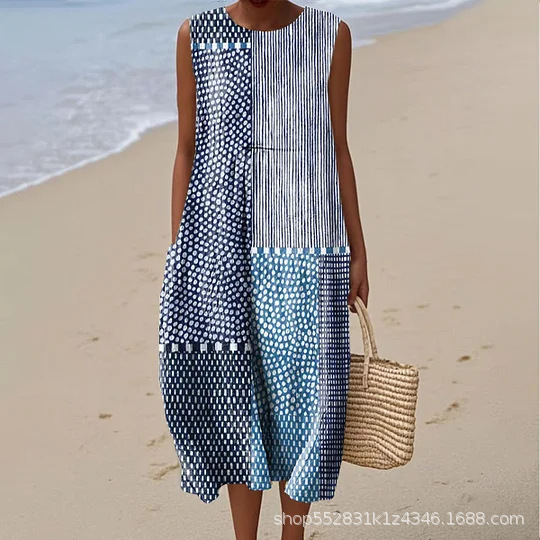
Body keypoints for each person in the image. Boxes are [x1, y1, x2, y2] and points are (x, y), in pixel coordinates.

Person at [158, 1, 369, 539]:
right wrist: (181, 250)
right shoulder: (196, 35)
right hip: (219, 249)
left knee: (307, 399)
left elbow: (338, 148)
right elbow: (186, 150)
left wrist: (358, 250)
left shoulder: (330, 35)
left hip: (312, 246)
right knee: (236, 397)